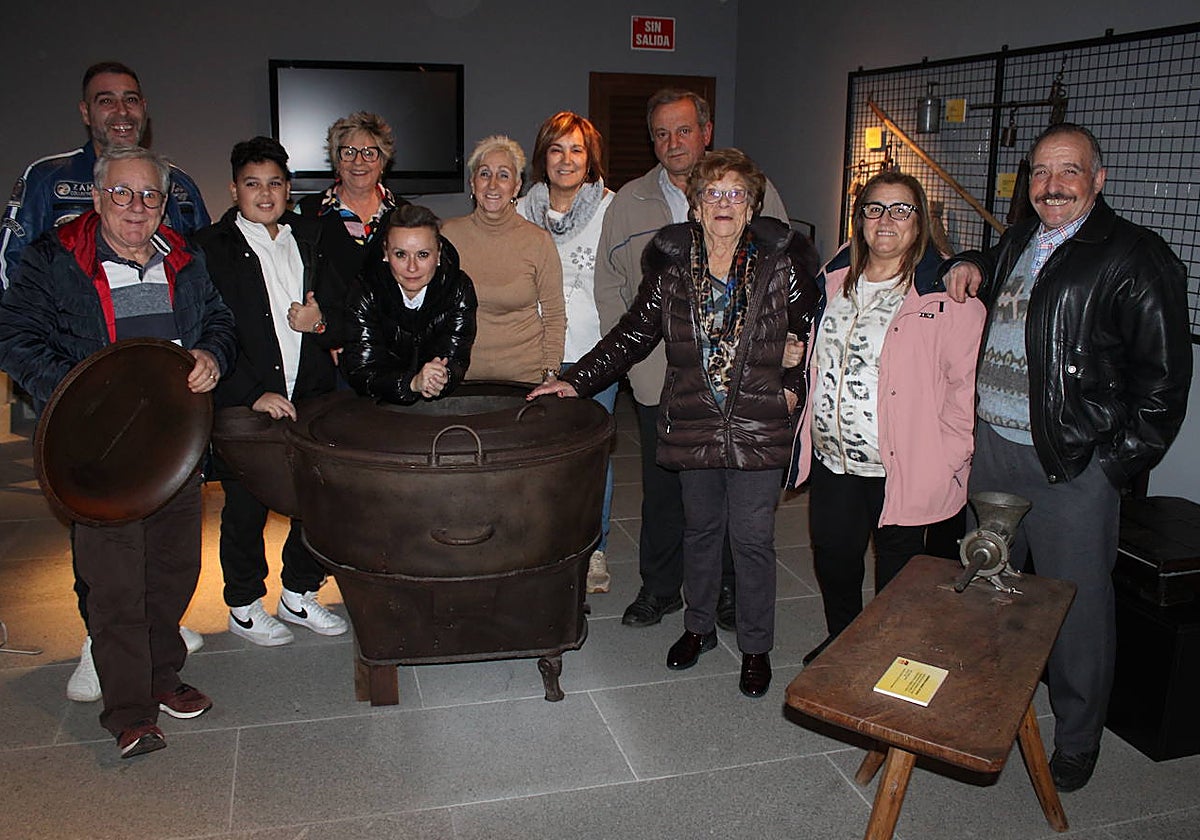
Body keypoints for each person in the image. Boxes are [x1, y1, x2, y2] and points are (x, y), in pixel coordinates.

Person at [944, 123, 1192, 792]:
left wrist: (1110, 468)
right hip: (995, 452)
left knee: (1075, 612)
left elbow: (1164, 385)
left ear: (1098, 179)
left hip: (1071, 466)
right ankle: (986, 708)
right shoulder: (1022, 239)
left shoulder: (1136, 256)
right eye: (1041, 173)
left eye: (1069, 171)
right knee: (987, 589)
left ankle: (1078, 741)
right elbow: (997, 271)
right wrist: (970, 259)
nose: (1052, 185)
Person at [531, 149, 820, 698]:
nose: (724, 203)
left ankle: (756, 647)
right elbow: (631, 336)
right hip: (694, 417)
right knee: (701, 531)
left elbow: (817, 335)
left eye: (736, 193)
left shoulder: (781, 269)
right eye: (713, 193)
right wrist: (575, 381)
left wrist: (792, 385)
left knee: (752, 539)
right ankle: (698, 627)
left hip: (759, 421)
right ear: (696, 207)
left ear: (752, 206)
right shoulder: (672, 271)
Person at [0, 146, 236, 758]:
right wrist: (84, 393)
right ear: (99, 195)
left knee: (173, 570)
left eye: (150, 195)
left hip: (173, 446)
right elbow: (15, 337)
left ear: (165, 201)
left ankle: (162, 676)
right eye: (123, 193)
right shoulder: (54, 257)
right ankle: (129, 711)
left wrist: (212, 355)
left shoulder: (184, 256)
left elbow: (219, 321)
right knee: (115, 582)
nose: (137, 207)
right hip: (97, 451)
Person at [594, 89, 791, 630]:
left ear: (706, 131)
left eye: (683, 130)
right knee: (665, 495)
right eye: (661, 133)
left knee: (733, 500)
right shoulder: (629, 201)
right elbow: (611, 286)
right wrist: (633, 364)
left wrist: (785, 364)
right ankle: (661, 589)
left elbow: (787, 271)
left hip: (739, 387)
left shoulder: (752, 187)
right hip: (659, 374)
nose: (672, 142)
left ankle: (726, 592)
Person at [788, 171, 986, 666]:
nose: (886, 220)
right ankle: (845, 644)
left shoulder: (948, 298)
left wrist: (951, 457)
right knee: (835, 561)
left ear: (920, 222)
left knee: (901, 575)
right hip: (835, 459)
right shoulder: (832, 281)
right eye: (874, 208)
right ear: (859, 219)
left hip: (904, 465)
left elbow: (964, 391)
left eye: (901, 210)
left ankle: (890, 658)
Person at [194, 137, 349, 647]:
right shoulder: (209, 248)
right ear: (234, 189)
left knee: (316, 498)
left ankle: (299, 593)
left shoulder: (313, 235)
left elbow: (346, 311)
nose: (265, 194)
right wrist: (250, 392)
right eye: (253, 184)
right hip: (246, 401)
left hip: (312, 396)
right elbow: (203, 328)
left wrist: (320, 322)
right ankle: (243, 604)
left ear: (289, 189)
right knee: (246, 506)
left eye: (275, 183)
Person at [517, 112, 617, 594]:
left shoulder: (611, 209)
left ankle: (594, 548)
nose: (566, 159)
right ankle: (541, 545)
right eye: (556, 149)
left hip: (594, 354)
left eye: (576, 149)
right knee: (535, 457)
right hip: (530, 353)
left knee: (592, 457)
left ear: (590, 157)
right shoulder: (520, 209)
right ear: (543, 156)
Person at [1, 61, 209, 292]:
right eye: (107, 101)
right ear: (86, 112)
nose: (122, 111)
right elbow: (10, 266)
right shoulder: (48, 179)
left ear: (144, 108)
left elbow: (206, 266)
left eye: (131, 100)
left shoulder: (179, 185)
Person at [442, 136, 563, 385]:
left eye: (504, 175)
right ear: (472, 183)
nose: (493, 184)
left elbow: (554, 315)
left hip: (526, 381)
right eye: (484, 174)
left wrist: (550, 373)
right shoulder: (448, 236)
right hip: (460, 379)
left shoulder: (538, 241)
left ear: (516, 187)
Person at [342, 204, 477, 403]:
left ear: (438, 254)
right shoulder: (365, 290)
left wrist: (441, 377)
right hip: (376, 402)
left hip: (440, 401)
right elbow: (362, 371)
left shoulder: (458, 288)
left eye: (423, 255)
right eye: (401, 254)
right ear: (386, 253)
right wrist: (411, 383)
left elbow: (455, 358)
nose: (412, 267)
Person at [295, 112, 407, 289]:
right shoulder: (306, 212)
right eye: (348, 153)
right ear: (337, 162)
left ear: (383, 162)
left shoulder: (404, 214)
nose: (358, 161)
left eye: (369, 153)